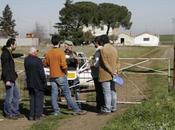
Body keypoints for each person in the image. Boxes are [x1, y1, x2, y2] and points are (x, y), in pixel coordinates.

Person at [43, 35, 86, 116]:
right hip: (61, 75)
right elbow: (64, 65)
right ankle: (76, 109)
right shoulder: (60, 52)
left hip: (52, 76)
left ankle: (56, 111)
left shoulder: (49, 52)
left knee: (54, 94)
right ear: (59, 43)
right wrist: (66, 72)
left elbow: (45, 64)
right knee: (67, 94)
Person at [1, 38, 24, 119]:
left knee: (16, 95)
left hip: (12, 78)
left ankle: (15, 112)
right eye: (15, 44)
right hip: (8, 79)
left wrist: (21, 54)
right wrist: (7, 80)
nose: (16, 45)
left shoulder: (8, 52)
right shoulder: (5, 54)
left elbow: (12, 56)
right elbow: (5, 68)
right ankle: (8, 113)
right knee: (9, 97)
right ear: (11, 45)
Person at [98, 34, 120, 114]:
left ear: (102, 41)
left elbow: (105, 63)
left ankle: (107, 109)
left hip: (106, 74)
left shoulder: (103, 50)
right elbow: (118, 61)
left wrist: (111, 71)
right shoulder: (114, 49)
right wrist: (116, 71)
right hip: (114, 74)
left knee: (106, 92)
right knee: (113, 91)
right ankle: (114, 107)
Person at [24, 47, 46, 120]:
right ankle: (37, 115)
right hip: (38, 82)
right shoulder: (38, 60)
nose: (37, 53)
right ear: (33, 52)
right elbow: (41, 73)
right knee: (39, 99)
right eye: (36, 52)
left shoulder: (26, 60)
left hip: (30, 82)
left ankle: (31, 115)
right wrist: (44, 80)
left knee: (32, 99)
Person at [64, 40, 81, 108]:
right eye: (66, 45)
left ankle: (79, 104)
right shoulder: (63, 53)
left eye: (67, 45)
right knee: (68, 90)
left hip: (73, 73)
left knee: (76, 90)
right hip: (67, 73)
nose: (66, 47)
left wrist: (71, 53)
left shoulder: (74, 53)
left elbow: (77, 61)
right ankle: (70, 105)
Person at [90, 36, 104, 113]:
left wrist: (92, 65)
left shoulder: (98, 51)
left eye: (94, 42)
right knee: (102, 90)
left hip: (97, 73)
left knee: (99, 90)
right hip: (101, 73)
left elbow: (97, 63)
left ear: (96, 43)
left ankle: (99, 106)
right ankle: (102, 105)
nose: (94, 44)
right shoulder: (103, 49)